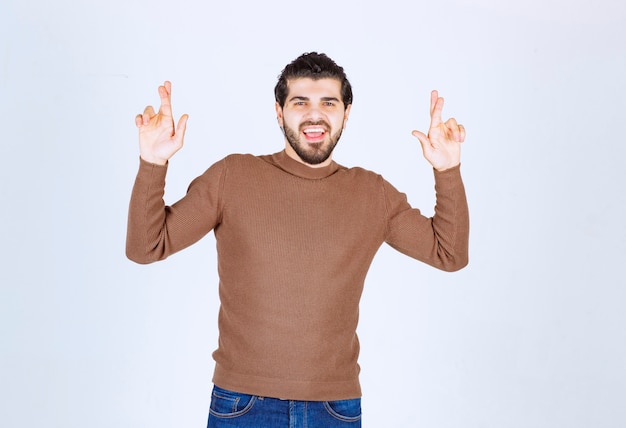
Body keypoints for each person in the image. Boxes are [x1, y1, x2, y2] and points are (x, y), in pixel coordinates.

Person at [126, 52, 469, 427]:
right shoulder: (233, 177)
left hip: (334, 409)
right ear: (279, 111)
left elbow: (448, 253)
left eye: (328, 103)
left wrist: (447, 169)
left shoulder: (372, 194)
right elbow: (146, 248)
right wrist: (153, 163)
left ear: (346, 112)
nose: (314, 115)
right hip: (242, 405)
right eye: (300, 102)